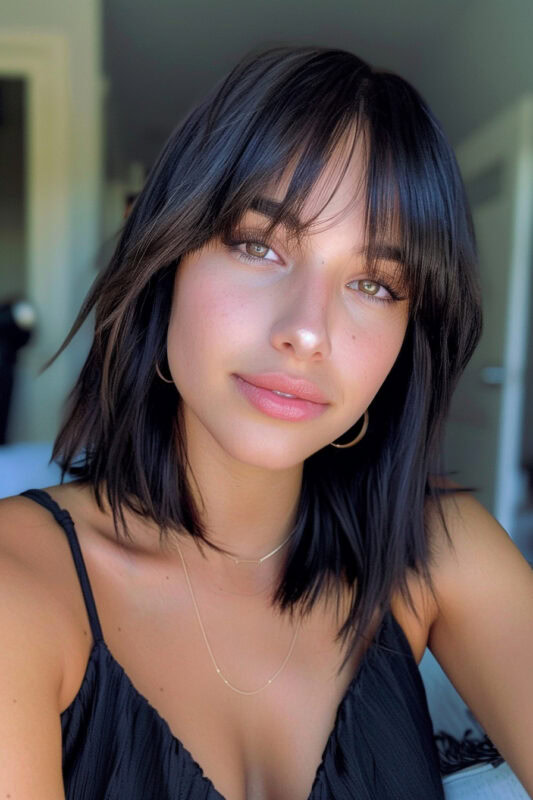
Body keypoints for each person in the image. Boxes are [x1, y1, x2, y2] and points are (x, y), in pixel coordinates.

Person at [0, 46, 531, 800]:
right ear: (166, 261)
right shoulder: (17, 588)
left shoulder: (434, 547)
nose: (306, 331)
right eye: (258, 246)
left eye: (374, 284)